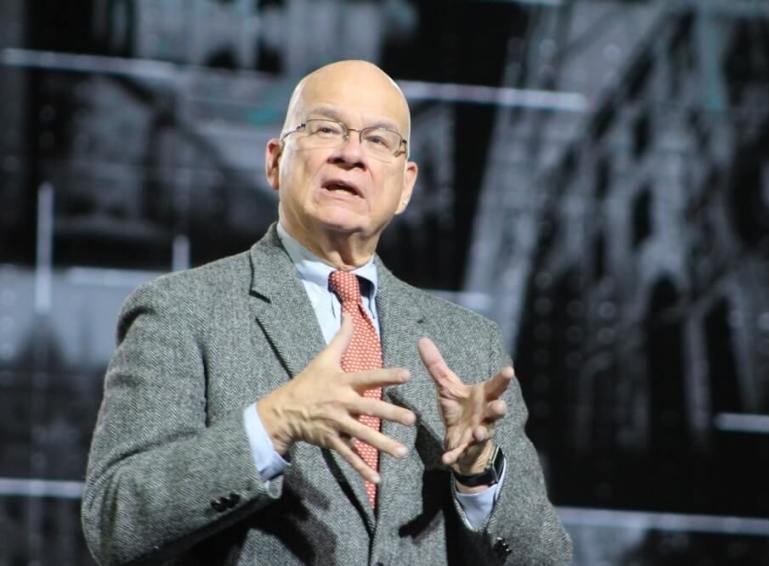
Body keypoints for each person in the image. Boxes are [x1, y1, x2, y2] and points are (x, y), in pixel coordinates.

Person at [81, 60, 571, 565]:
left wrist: (478, 471)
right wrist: (270, 425)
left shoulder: (470, 343)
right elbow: (114, 522)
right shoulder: (181, 312)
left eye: (379, 140)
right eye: (325, 129)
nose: (351, 153)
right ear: (274, 161)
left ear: (405, 186)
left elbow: (546, 558)